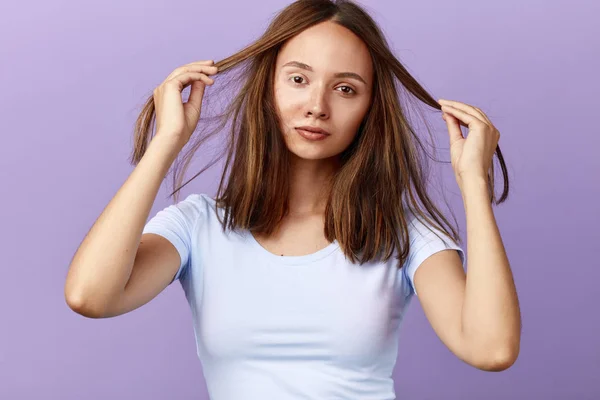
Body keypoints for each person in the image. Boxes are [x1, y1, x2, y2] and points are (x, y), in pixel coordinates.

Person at [65, 0, 521, 398]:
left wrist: (474, 186)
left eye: (346, 89)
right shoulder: (198, 226)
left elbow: (492, 348)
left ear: (369, 109)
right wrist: (166, 143)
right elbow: (91, 296)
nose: (317, 105)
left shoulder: (400, 232)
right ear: (268, 87)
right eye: (299, 79)